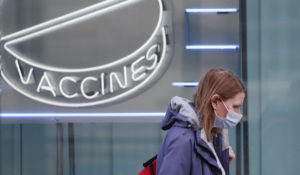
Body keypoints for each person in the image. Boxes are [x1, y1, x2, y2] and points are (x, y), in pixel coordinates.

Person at [156, 68, 246, 175]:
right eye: (235, 106)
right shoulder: (183, 140)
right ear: (215, 102)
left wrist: (221, 165)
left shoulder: (212, 137)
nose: (238, 113)